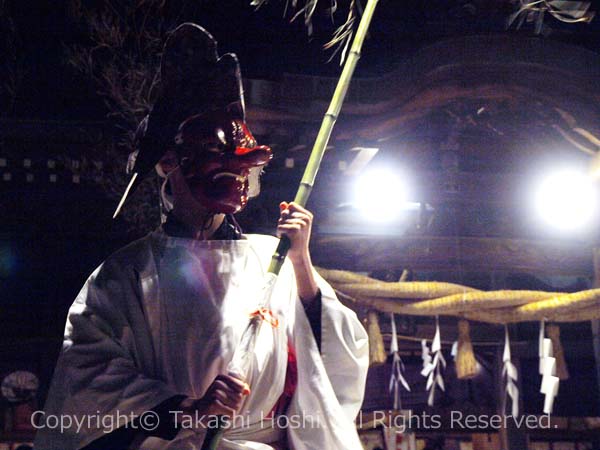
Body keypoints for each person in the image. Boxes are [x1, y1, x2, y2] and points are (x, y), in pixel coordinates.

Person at [34, 23, 368, 450]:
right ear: (167, 164)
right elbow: (87, 376)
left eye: (240, 165)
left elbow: (338, 356)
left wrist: (301, 262)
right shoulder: (126, 275)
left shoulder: (275, 258)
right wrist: (183, 410)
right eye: (214, 159)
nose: (234, 173)